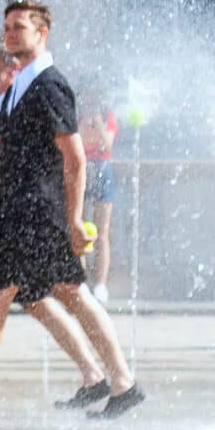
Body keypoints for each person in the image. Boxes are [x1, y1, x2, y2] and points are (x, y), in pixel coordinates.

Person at [0, 4, 145, 419]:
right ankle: (115, 381)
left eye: (19, 28)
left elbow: (75, 159)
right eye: (6, 27)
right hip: (14, 217)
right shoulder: (20, 89)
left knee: (36, 298)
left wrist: (74, 219)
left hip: (40, 213)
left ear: (42, 33)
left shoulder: (50, 85)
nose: (10, 34)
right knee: (54, 296)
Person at [80, 108, 118, 301]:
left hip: (103, 170)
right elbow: (81, 140)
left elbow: (107, 144)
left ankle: (100, 284)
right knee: (80, 228)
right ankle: (82, 280)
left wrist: (98, 123)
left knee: (102, 231)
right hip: (82, 168)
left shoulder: (107, 115)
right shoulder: (79, 113)